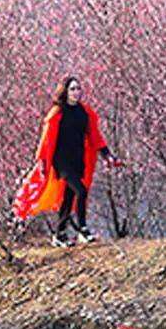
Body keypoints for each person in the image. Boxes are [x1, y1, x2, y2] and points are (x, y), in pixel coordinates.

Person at [13, 77, 117, 245]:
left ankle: (59, 234)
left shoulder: (84, 112)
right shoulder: (58, 112)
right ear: (65, 91)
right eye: (72, 89)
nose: (76, 92)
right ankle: (83, 229)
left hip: (78, 158)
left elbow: (95, 136)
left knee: (69, 197)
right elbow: (46, 139)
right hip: (61, 161)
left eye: (78, 88)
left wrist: (107, 154)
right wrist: (42, 161)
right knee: (81, 191)